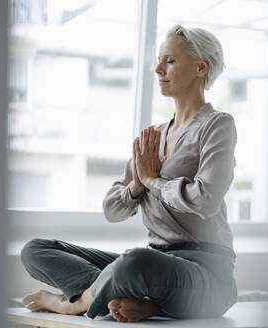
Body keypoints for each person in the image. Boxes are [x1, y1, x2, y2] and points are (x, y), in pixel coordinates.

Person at [19, 25, 238, 322]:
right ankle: (138, 298)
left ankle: (73, 303)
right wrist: (137, 186)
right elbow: (112, 210)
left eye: (169, 61)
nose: (158, 68)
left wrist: (154, 182)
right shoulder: (154, 137)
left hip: (206, 272)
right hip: (154, 263)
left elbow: (206, 199)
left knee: (133, 261)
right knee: (36, 250)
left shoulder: (218, 125)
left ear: (201, 67)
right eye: (159, 60)